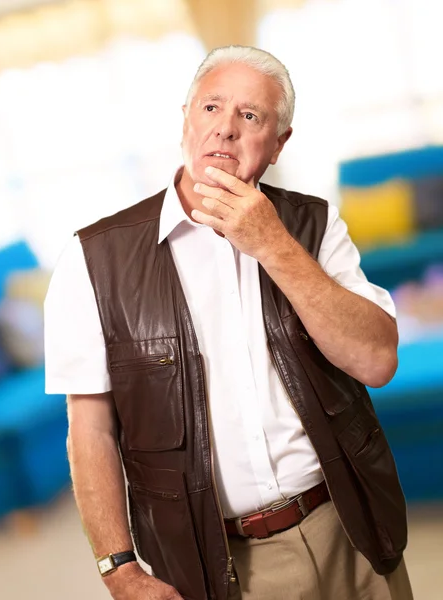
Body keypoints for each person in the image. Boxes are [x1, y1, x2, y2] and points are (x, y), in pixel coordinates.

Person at [44, 46, 414, 600]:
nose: (225, 131)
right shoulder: (93, 259)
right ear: (185, 121)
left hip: (348, 530)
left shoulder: (313, 223)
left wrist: (273, 244)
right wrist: (117, 567)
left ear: (279, 143)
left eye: (250, 115)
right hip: (216, 562)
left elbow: (376, 360)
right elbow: (90, 427)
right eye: (212, 108)